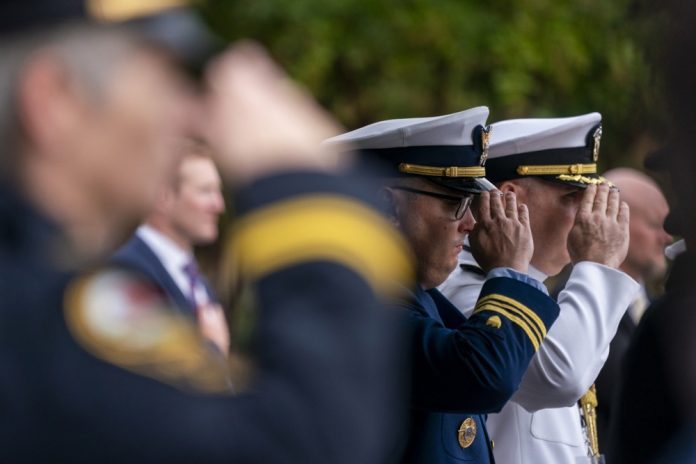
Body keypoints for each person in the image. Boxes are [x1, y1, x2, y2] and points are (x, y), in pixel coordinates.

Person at [0, 1, 413, 462]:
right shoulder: (36, 320)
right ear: (54, 101)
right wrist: (306, 193)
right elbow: (306, 445)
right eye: (167, 78)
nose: (187, 117)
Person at [326, 106, 561, 464]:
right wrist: (511, 270)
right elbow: (484, 376)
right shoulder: (355, 308)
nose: (470, 223)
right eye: (456, 202)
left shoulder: (422, 299)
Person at [439, 113, 637, 464]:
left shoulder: (538, 292)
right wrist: (597, 265)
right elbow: (562, 376)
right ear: (509, 199)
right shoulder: (463, 290)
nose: (588, 214)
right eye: (572, 197)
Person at [112, 142, 230, 354]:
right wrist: (213, 350)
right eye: (206, 191)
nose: (219, 205)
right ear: (163, 197)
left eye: (218, 191)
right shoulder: (128, 272)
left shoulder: (199, 284)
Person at [593, 168, 672, 446]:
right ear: (617, 221)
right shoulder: (576, 298)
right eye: (655, 224)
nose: (667, 237)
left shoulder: (654, 304)